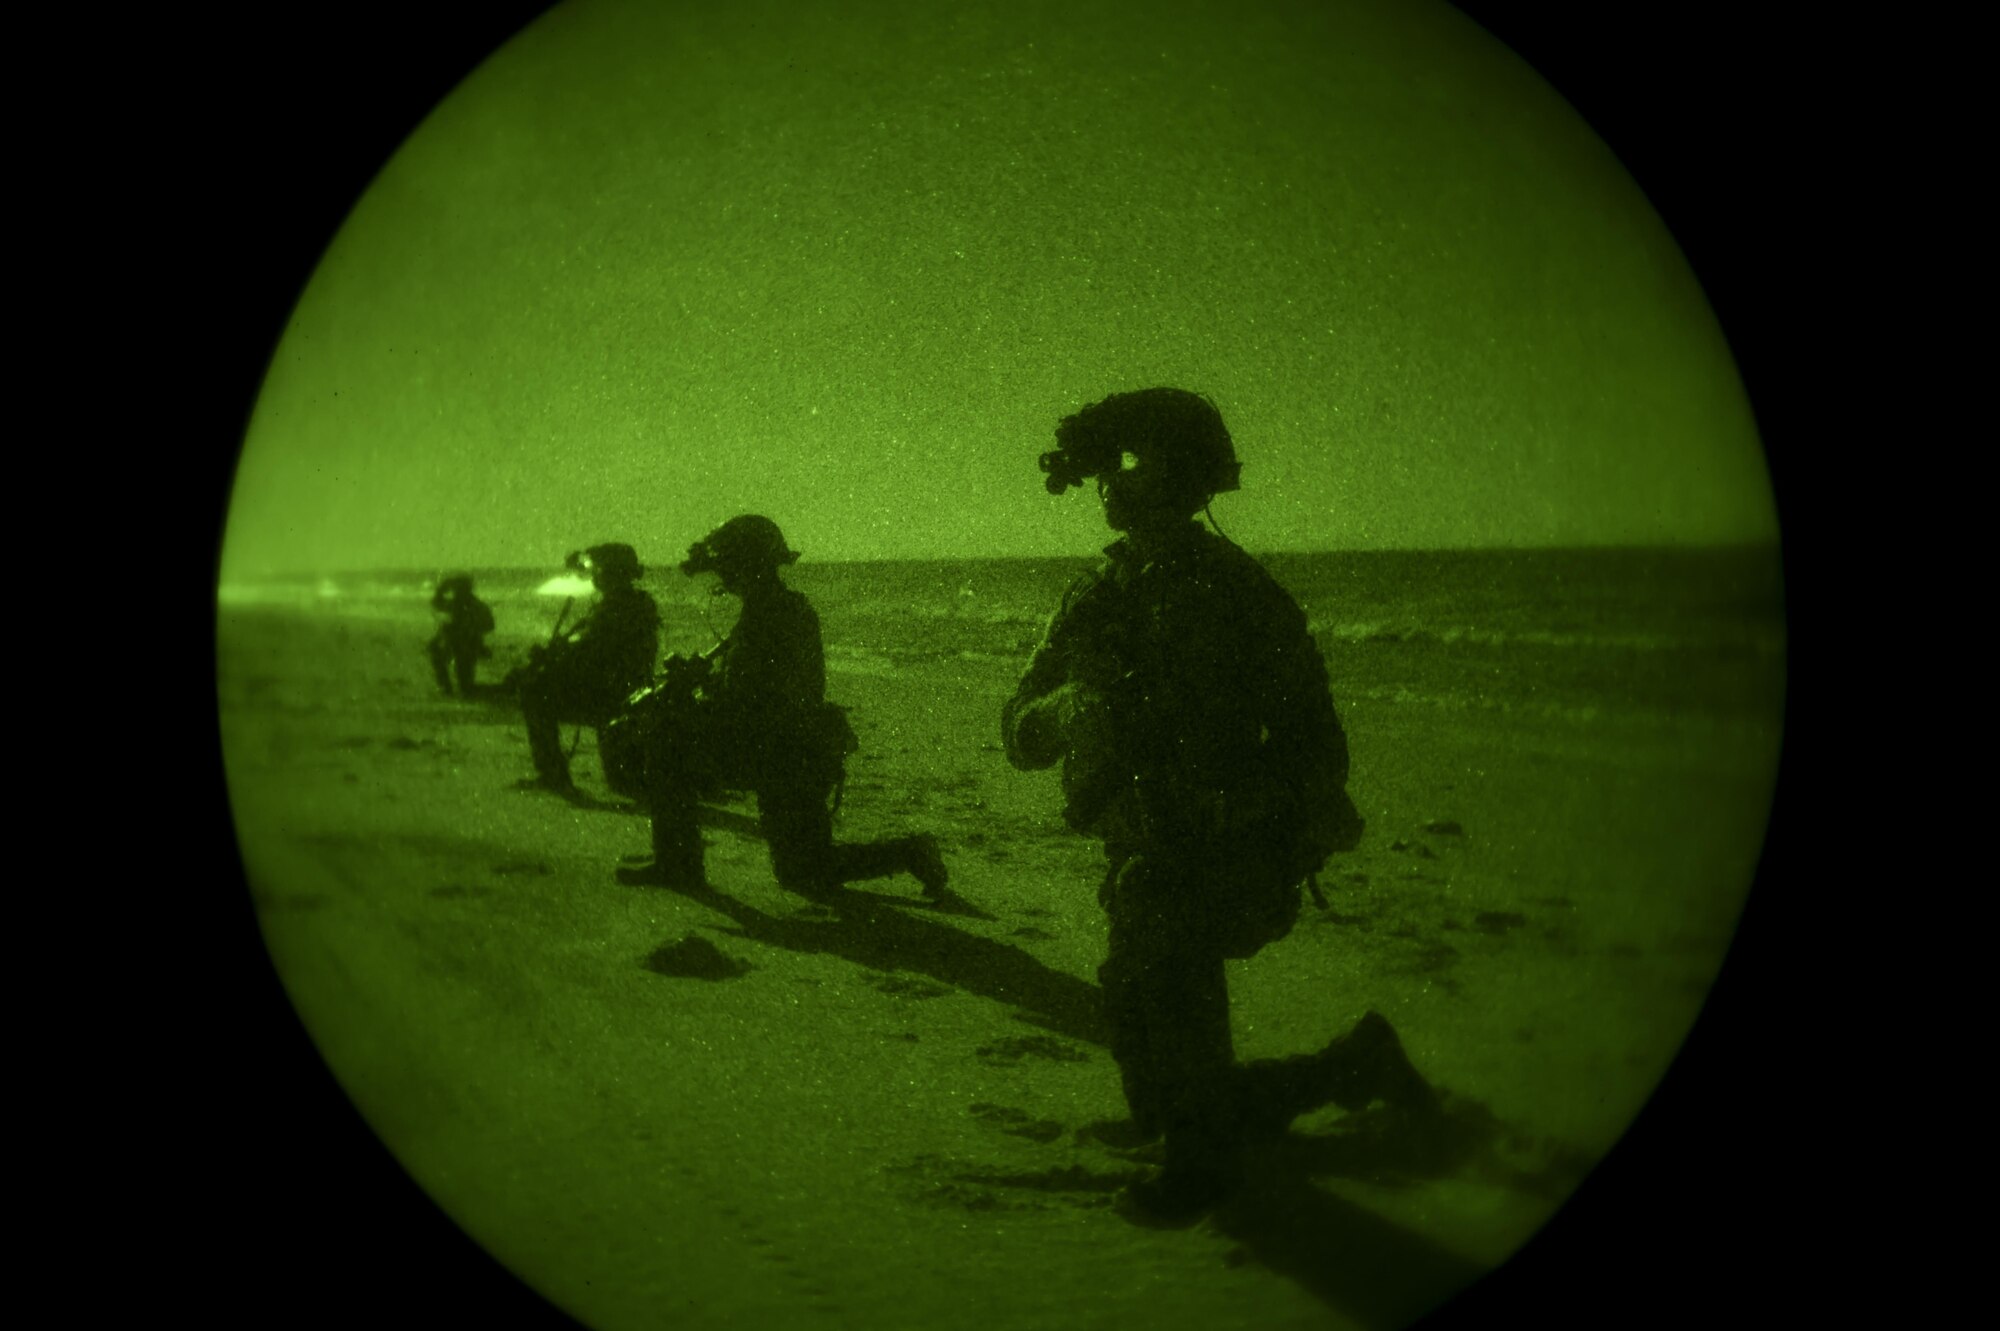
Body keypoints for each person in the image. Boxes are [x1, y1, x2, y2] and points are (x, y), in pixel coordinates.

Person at [1000, 387, 1435, 1224]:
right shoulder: (1093, 594)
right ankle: (1355, 1065)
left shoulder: (1241, 594)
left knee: (1171, 951)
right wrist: (1060, 714)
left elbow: (1320, 749)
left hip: (1220, 860)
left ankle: (1203, 1173)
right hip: (1130, 860)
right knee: (1161, 1099)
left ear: (1177, 476)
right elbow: (1017, 730)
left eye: (1129, 466)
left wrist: (1235, 804)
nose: (1109, 485)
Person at [607, 514, 947, 899]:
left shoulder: (772, 615)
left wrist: (696, 690)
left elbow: (752, 701)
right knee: (804, 872)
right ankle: (911, 853)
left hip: (783, 756)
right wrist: (706, 683)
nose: (722, 575)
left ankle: (679, 866)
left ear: (744, 565)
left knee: (803, 871)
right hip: (785, 752)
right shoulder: (773, 608)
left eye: (728, 564)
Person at [514, 543, 660, 796]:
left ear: (609, 573)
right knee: (625, 785)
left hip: (611, 697)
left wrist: (553, 657)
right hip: (626, 692)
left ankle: (553, 777)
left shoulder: (616, 607)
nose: (593, 575)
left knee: (534, 692)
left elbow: (591, 655)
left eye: (598, 570)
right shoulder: (634, 603)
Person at [426, 573, 495, 697]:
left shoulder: (476, 606)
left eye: (459, 588)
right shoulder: (454, 604)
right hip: (452, 642)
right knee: (437, 653)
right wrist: (441, 589)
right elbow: (436, 604)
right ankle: (446, 687)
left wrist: (472, 629)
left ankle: (458, 688)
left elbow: (489, 625)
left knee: (466, 685)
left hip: (467, 644)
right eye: (457, 588)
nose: (458, 592)